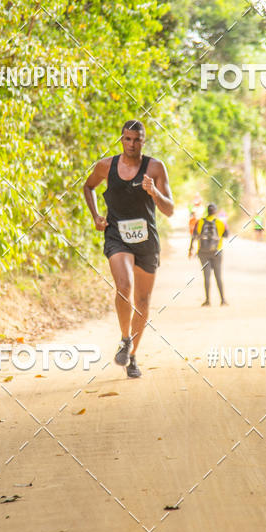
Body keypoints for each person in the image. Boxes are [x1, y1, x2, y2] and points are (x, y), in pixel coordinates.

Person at [83, 119, 174, 378]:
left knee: (143, 302)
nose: (132, 144)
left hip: (147, 240)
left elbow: (169, 210)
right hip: (117, 236)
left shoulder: (155, 167)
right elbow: (88, 186)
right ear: (121, 139)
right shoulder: (106, 165)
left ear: (143, 141)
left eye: (137, 140)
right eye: (127, 139)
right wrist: (96, 216)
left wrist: (154, 192)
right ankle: (125, 338)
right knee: (124, 286)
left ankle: (132, 354)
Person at [189, 203, 228, 306]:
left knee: (206, 276)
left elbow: (194, 236)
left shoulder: (200, 222)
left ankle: (207, 300)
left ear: (207, 211)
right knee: (218, 276)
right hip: (217, 252)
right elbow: (226, 235)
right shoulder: (220, 222)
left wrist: (190, 248)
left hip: (203, 252)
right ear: (215, 211)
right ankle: (223, 300)